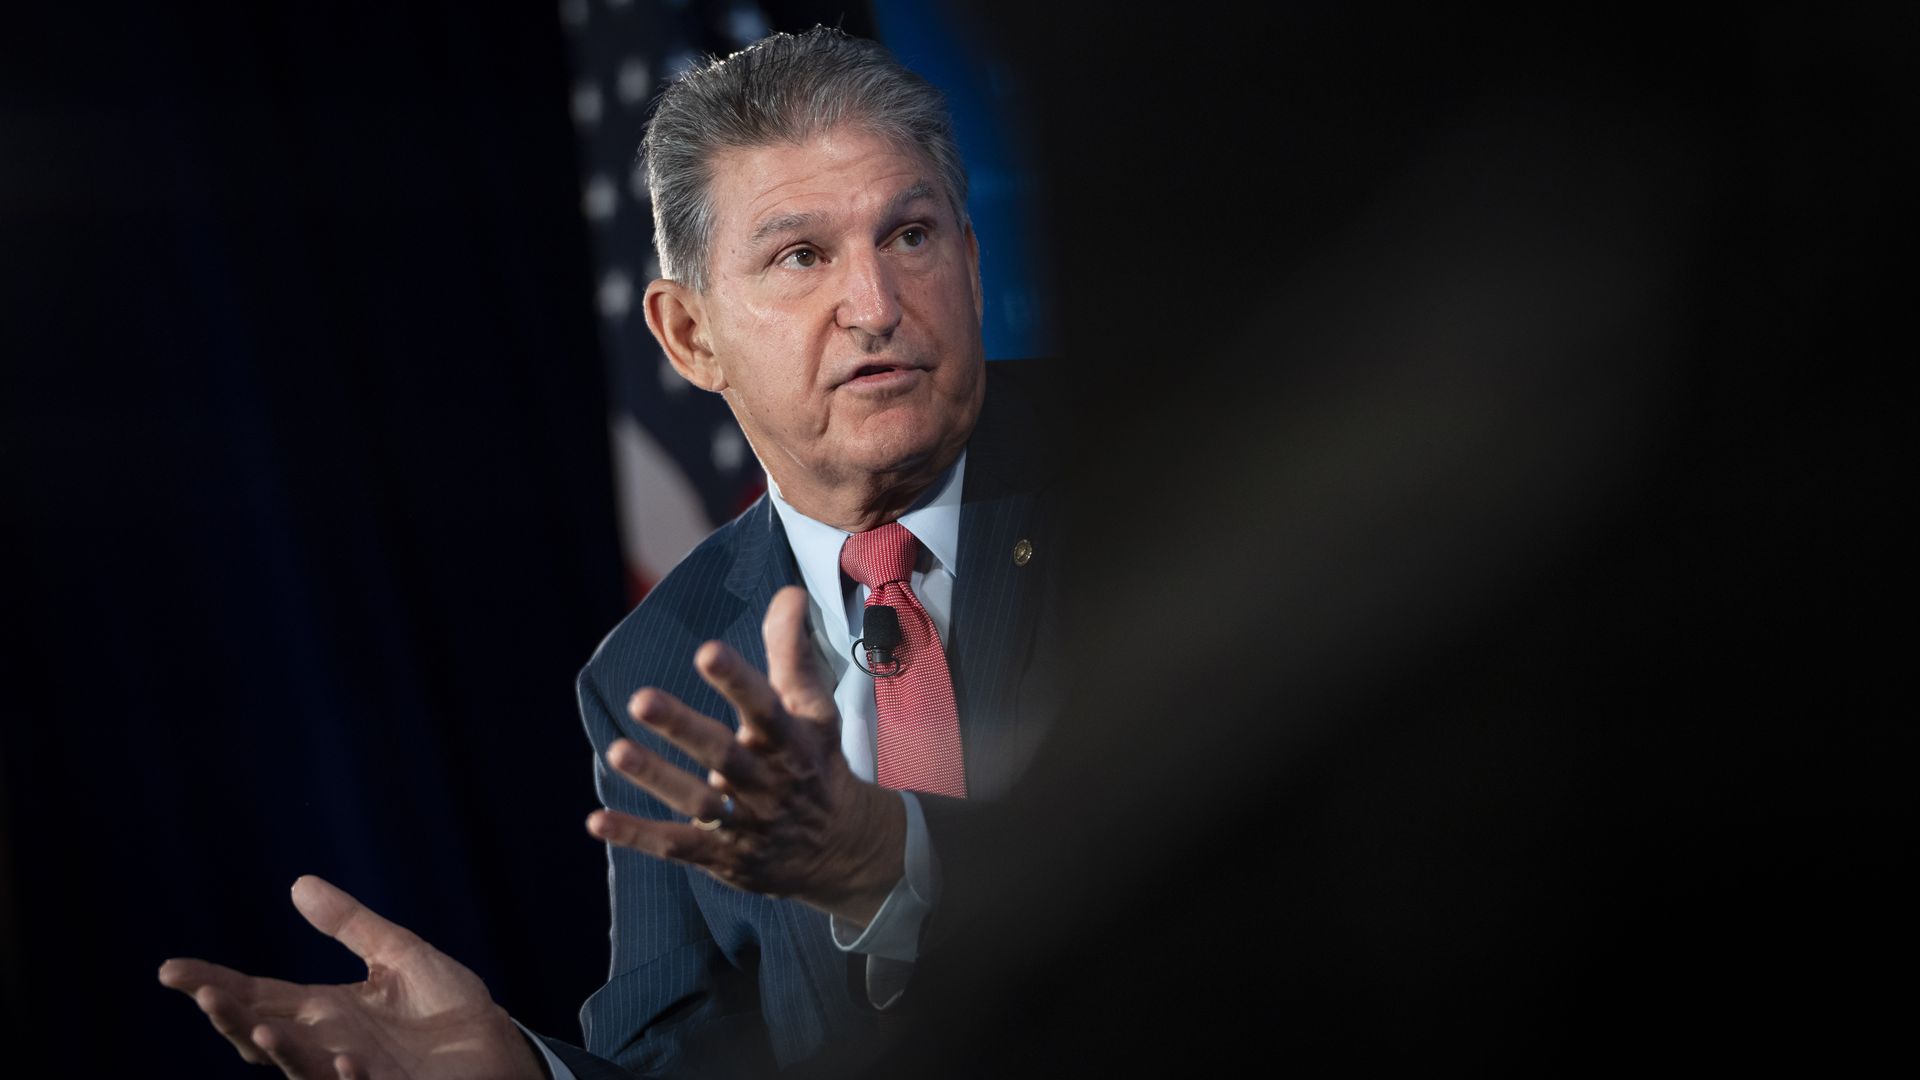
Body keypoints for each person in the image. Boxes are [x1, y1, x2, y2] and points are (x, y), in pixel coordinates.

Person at [158, 26, 1067, 1079]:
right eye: (801, 255)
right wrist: (523, 1071)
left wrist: (888, 862)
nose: (873, 305)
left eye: (909, 236)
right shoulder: (654, 667)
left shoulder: (1144, 447)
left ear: (971, 255)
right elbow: (686, 1052)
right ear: (690, 336)